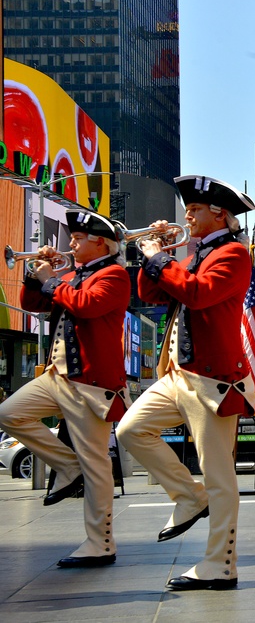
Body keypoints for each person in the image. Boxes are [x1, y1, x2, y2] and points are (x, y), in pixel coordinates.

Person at [117, 175, 255, 591]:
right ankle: (189, 496)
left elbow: (197, 294)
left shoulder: (234, 254)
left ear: (220, 214)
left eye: (194, 209)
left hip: (213, 380)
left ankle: (221, 564)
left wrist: (162, 258)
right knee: (130, 429)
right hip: (177, 374)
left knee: (219, 476)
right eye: (187, 209)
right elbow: (153, 294)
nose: (187, 216)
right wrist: (152, 257)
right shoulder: (192, 255)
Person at [0, 211, 129, 568]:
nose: (70, 243)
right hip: (57, 376)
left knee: (97, 463)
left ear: (100, 242)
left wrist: (51, 280)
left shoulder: (114, 275)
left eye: (78, 238)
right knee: (8, 414)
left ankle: (100, 543)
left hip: (91, 383)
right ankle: (68, 467)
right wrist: (35, 275)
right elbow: (33, 304)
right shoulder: (72, 275)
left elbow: (87, 306)